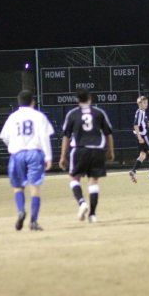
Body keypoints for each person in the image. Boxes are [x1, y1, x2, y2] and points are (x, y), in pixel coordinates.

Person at [0, 90, 55, 231]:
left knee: (18, 187)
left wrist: (13, 147)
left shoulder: (13, 117)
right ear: (32, 101)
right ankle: (33, 221)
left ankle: (21, 211)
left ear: (19, 102)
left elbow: (4, 137)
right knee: (34, 187)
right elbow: (44, 137)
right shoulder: (39, 116)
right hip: (34, 153)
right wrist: (48, 156)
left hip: (17, 153)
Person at [59, 89, 115, 223]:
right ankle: (93, 215)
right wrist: (111, 151)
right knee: (93, 181)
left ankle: (82, 202)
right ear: (90, 98)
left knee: (74, 179)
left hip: (79, 150)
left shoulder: (72, 114)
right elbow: (108, 133)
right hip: (97, 150)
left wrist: (62, 156)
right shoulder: (99, 112)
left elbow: (66, 136)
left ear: (77, 100)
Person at [129, 95, 149, 183]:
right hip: (143, 136)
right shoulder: (140, 112)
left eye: (147, 103)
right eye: (144, 103)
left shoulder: (143, 112)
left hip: (141, 136)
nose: (146, 104)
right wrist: (139, 137)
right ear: (139, 104)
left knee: (143, 155)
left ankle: (133, 171)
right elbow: (135, 125)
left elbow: (148, 125)